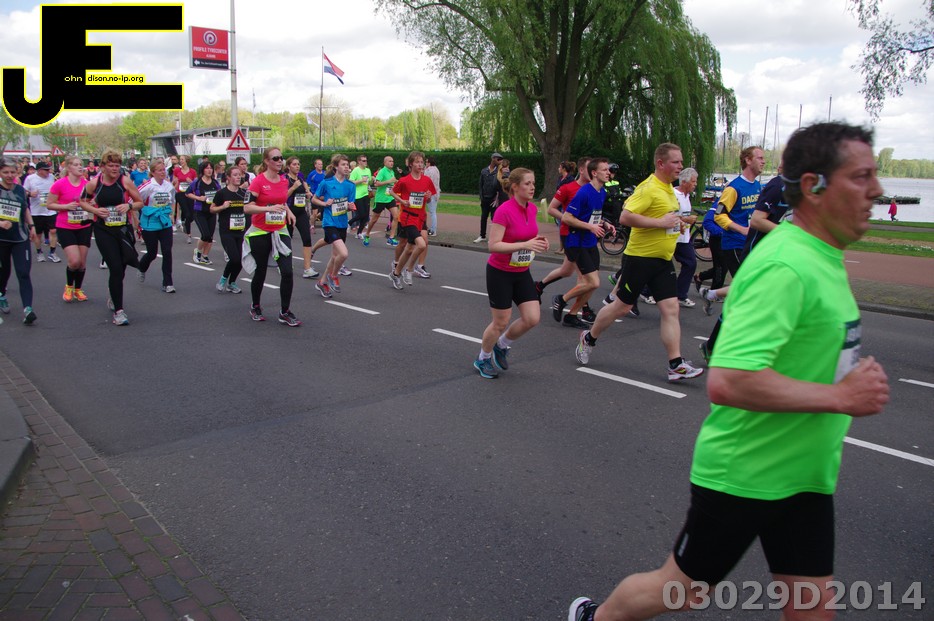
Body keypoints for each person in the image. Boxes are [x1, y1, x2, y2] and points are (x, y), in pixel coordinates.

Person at [568, 121, 890, 621]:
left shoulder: (823, 256)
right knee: (683, 590)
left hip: (806, 475)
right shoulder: (785, 265)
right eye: (862, 176)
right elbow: (729, 381)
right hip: (746, 472)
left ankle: (672, 358)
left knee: (813, 610)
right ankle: (597, 617)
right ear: (813, 186)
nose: (878, 190)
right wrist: (841, 397)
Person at [574, 143, 703, 382]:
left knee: (671, 309)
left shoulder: (668, 188)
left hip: (662, 260)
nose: (680, 166)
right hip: (640, 259)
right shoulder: (648, 188)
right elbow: (625, 216)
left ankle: (675, 364)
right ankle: (589, 338)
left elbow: (664, 217)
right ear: (661, 163)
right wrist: (661, 223)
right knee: (621, 307)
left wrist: (678, 223)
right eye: (676, 162)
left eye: (681, 162)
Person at [473, 168, 549, 378]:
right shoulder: (503, 211)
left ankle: (501, 345)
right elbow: (493, 245)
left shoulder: (532, 209)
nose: (532, 187)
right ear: (515, 187)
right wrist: (525, 244)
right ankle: (482, 358)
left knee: (532, 318)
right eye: (527, 183)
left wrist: (539, 241)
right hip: (500, 273)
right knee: (501, 321)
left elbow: (525, 235)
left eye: (533, 183)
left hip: (521, 271)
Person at [80, 149, 143, 325]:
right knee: (115, 267)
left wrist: (129, 206)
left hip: (122, 229)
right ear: (103, 167)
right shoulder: (94, 183)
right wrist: (95, 210)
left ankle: (113, 295)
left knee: (121, 267)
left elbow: (140, 202)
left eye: (117, 165)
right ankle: (119, 312)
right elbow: (82, 201)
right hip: (103, 230)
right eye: (111, 165)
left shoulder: (125, 181)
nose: (115, 169)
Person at [551, 158, 615, 329]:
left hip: (590, 242)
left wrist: (605, 223)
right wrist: (590, 227)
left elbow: (592, 215)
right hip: (576, 241)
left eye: (608, 170)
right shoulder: (584, 193)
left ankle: (571, 315)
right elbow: (567, 217)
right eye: (604, 170)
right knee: (593, 282)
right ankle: (561, 299)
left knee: (590, 285)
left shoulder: (602, 192)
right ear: (594, 173)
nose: (608, 172)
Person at [242, 147, 301, 327]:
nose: (279, 161)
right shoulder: (258, 182)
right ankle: (255, 305)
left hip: (279, 230)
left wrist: (288, 211)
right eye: (275, 158)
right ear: (267, 161)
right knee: (260, 271)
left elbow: (281, 201)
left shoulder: (283, 180)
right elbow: (247, 207)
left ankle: (284, 311)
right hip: (260, 231)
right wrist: (267, 209)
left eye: (281, 158)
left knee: (288, 271)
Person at [387, 151, 437, 289]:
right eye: (417, 162)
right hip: (408, 217)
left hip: (421, 217)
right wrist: (402, 201)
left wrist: (428, 197)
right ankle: (409, 270)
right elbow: (391, 191)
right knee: (421, 244)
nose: (420, 165)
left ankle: (395, 274)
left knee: (409, 248)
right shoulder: (404, 180)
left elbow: (429, 200)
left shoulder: (427, 180)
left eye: (422, 162)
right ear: (410, 164)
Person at [713, 146, 764, 279]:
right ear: (748, 160)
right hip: (735, 244)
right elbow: (718, 215)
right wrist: (742, 230)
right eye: (760, 158)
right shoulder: (733, 188)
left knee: (751, 283)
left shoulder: (757, 186)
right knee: (745, 283)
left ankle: (711, 291)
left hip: (750, 243)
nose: (763, 162)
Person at [46, 155, 91, 303]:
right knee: (74, 261)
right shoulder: (59, 184)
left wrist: (91, 206)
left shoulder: (87, 184)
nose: (80, 167)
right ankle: (69, 286)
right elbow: (49, 204)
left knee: (82, 263)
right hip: (65, 226)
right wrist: (65, 206)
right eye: (76, 164)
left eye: (81, 164)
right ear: (69, 168)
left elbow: (94, 202)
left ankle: (78, 289)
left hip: (84, 225)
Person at [0, 157, 39, 324]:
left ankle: (28, 309)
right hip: (1, 239)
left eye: (12, 172)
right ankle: (2, 294)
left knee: (23, 272)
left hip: (20, 237)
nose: (9, 175)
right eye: (5, 172)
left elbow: (25, 210)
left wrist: (32, 226)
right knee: (4, 271)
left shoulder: (21, 190)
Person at [310, 153, 355, 299]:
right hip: (329, 222)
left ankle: (322, 282)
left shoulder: (350, 185)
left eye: (347, 165)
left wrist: (350, 207)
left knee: (335, 256)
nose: (346, 167)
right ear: (336, 167)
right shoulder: (327, 183)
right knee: (344, 253)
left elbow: (349, 205)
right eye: (343, 164)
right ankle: (333, 275)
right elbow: (314, 199)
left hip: (342, 223)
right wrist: (324, 203)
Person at [136, 159, 177, 292]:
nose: (163, 172)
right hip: (150, 223)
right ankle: (142, 267)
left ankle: (168, 283)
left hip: (164, 222)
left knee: (167, 252)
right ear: (153, 172)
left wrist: (172, 215)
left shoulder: (169, 186)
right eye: (159, 170)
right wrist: (137, 218)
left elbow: (172, 200)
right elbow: (134, 200)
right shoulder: (148, 186)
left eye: (164, 170)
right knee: (152, 253)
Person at [211, 165, 248, 294]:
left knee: (241, 260)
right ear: (228, 177)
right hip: (227, 231)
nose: (238, 177)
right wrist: (223, 207)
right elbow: (212, 209)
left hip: (241, 230)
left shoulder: (244, 193)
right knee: (234, 258)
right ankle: (223, 279)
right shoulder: (222, 193)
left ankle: (232, 283)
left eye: (239, 175)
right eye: (235, 175)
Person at [23, 160, 60, 264]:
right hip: (37, 211)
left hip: (50, 210)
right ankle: (39, 252)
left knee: (53, 231)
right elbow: (24, 191)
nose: (48, 171)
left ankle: (52, 252)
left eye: (49, 169)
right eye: (46, 170)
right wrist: (30, 194)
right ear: (39, 170)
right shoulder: (30, 178)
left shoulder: (52, 177)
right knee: (38, 234)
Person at [187, 160, 221, 265]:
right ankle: (198, 252)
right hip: (200, 211)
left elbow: (220, 194)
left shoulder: (215, 183)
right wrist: (198, 198)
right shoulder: (197, 182)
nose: (209, 170)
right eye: (207, 168)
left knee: (210, 236)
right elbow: (187, 193)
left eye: (211, 168)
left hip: (211, 212)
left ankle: (205, 256)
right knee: (205, 235)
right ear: (203, 170)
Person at [673, 168, 698, 307]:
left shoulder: (687, 195)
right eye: (693, 181)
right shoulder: (673, 194)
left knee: (691, 263)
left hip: (684, 238)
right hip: (673, 237)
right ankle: (645, 291)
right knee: (659, 266)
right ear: (684, 182)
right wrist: (685, 219)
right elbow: (669, 214)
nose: (695, 184)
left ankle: (680, 294)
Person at [362, 156, 399, 247]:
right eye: (389, 161)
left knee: (396, 216)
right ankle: (367, 234)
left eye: (392, 161)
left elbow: (392, 183)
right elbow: (376, 184)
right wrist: (389, 181)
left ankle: (391, 238)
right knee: (374, 219)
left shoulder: (392, 172)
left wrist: (396, 182)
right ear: (385, 163)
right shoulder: (382, 171)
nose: (392, 163)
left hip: (389, 198)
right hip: (381, 199)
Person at [475, 152, 503, 243]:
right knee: (483, 217)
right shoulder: (484, 171)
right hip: (485, 199)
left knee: (494, 219)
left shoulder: (499, 171)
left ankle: (493, 237)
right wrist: (481, 196)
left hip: (494, 199)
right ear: (493, 159)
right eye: (498, 159)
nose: (499, 161)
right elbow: (480, 184)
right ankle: (482, 235)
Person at [173, 155, 197, 243]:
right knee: (187, 213)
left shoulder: (192, 171)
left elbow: (196, 184)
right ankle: (189, 235)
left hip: (189, 194)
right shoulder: (177, 170)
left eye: (182, 159)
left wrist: (191, 182)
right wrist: (175, 182)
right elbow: (174, 182)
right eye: (180, 159)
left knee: (192, 215)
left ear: (187, 161)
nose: (181, 161)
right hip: (180, 194)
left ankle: (184, 221)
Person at [347, 155, 371, 239]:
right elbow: (351, 182)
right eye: (363, 161)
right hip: (357, 195)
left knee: (366, 216)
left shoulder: (368, 170)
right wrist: (361, 180)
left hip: (365, 194)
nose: (365, 162)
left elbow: (369, 181)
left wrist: (372, 180)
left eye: (366, 160)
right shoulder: (356, 170)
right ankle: (349, 223)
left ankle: (359, 233)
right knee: (361, 214)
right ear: (359, 162)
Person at [425, 156, 441, 236]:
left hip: (430, 193)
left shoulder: (428, 170)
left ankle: (433, 230)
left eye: (426, 162)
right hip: (436, 193)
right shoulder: (436, 169)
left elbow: (425, 181)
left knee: (432, 212)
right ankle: (432, 229)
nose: (425, 163)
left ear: (429, 163)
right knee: (433, 212)